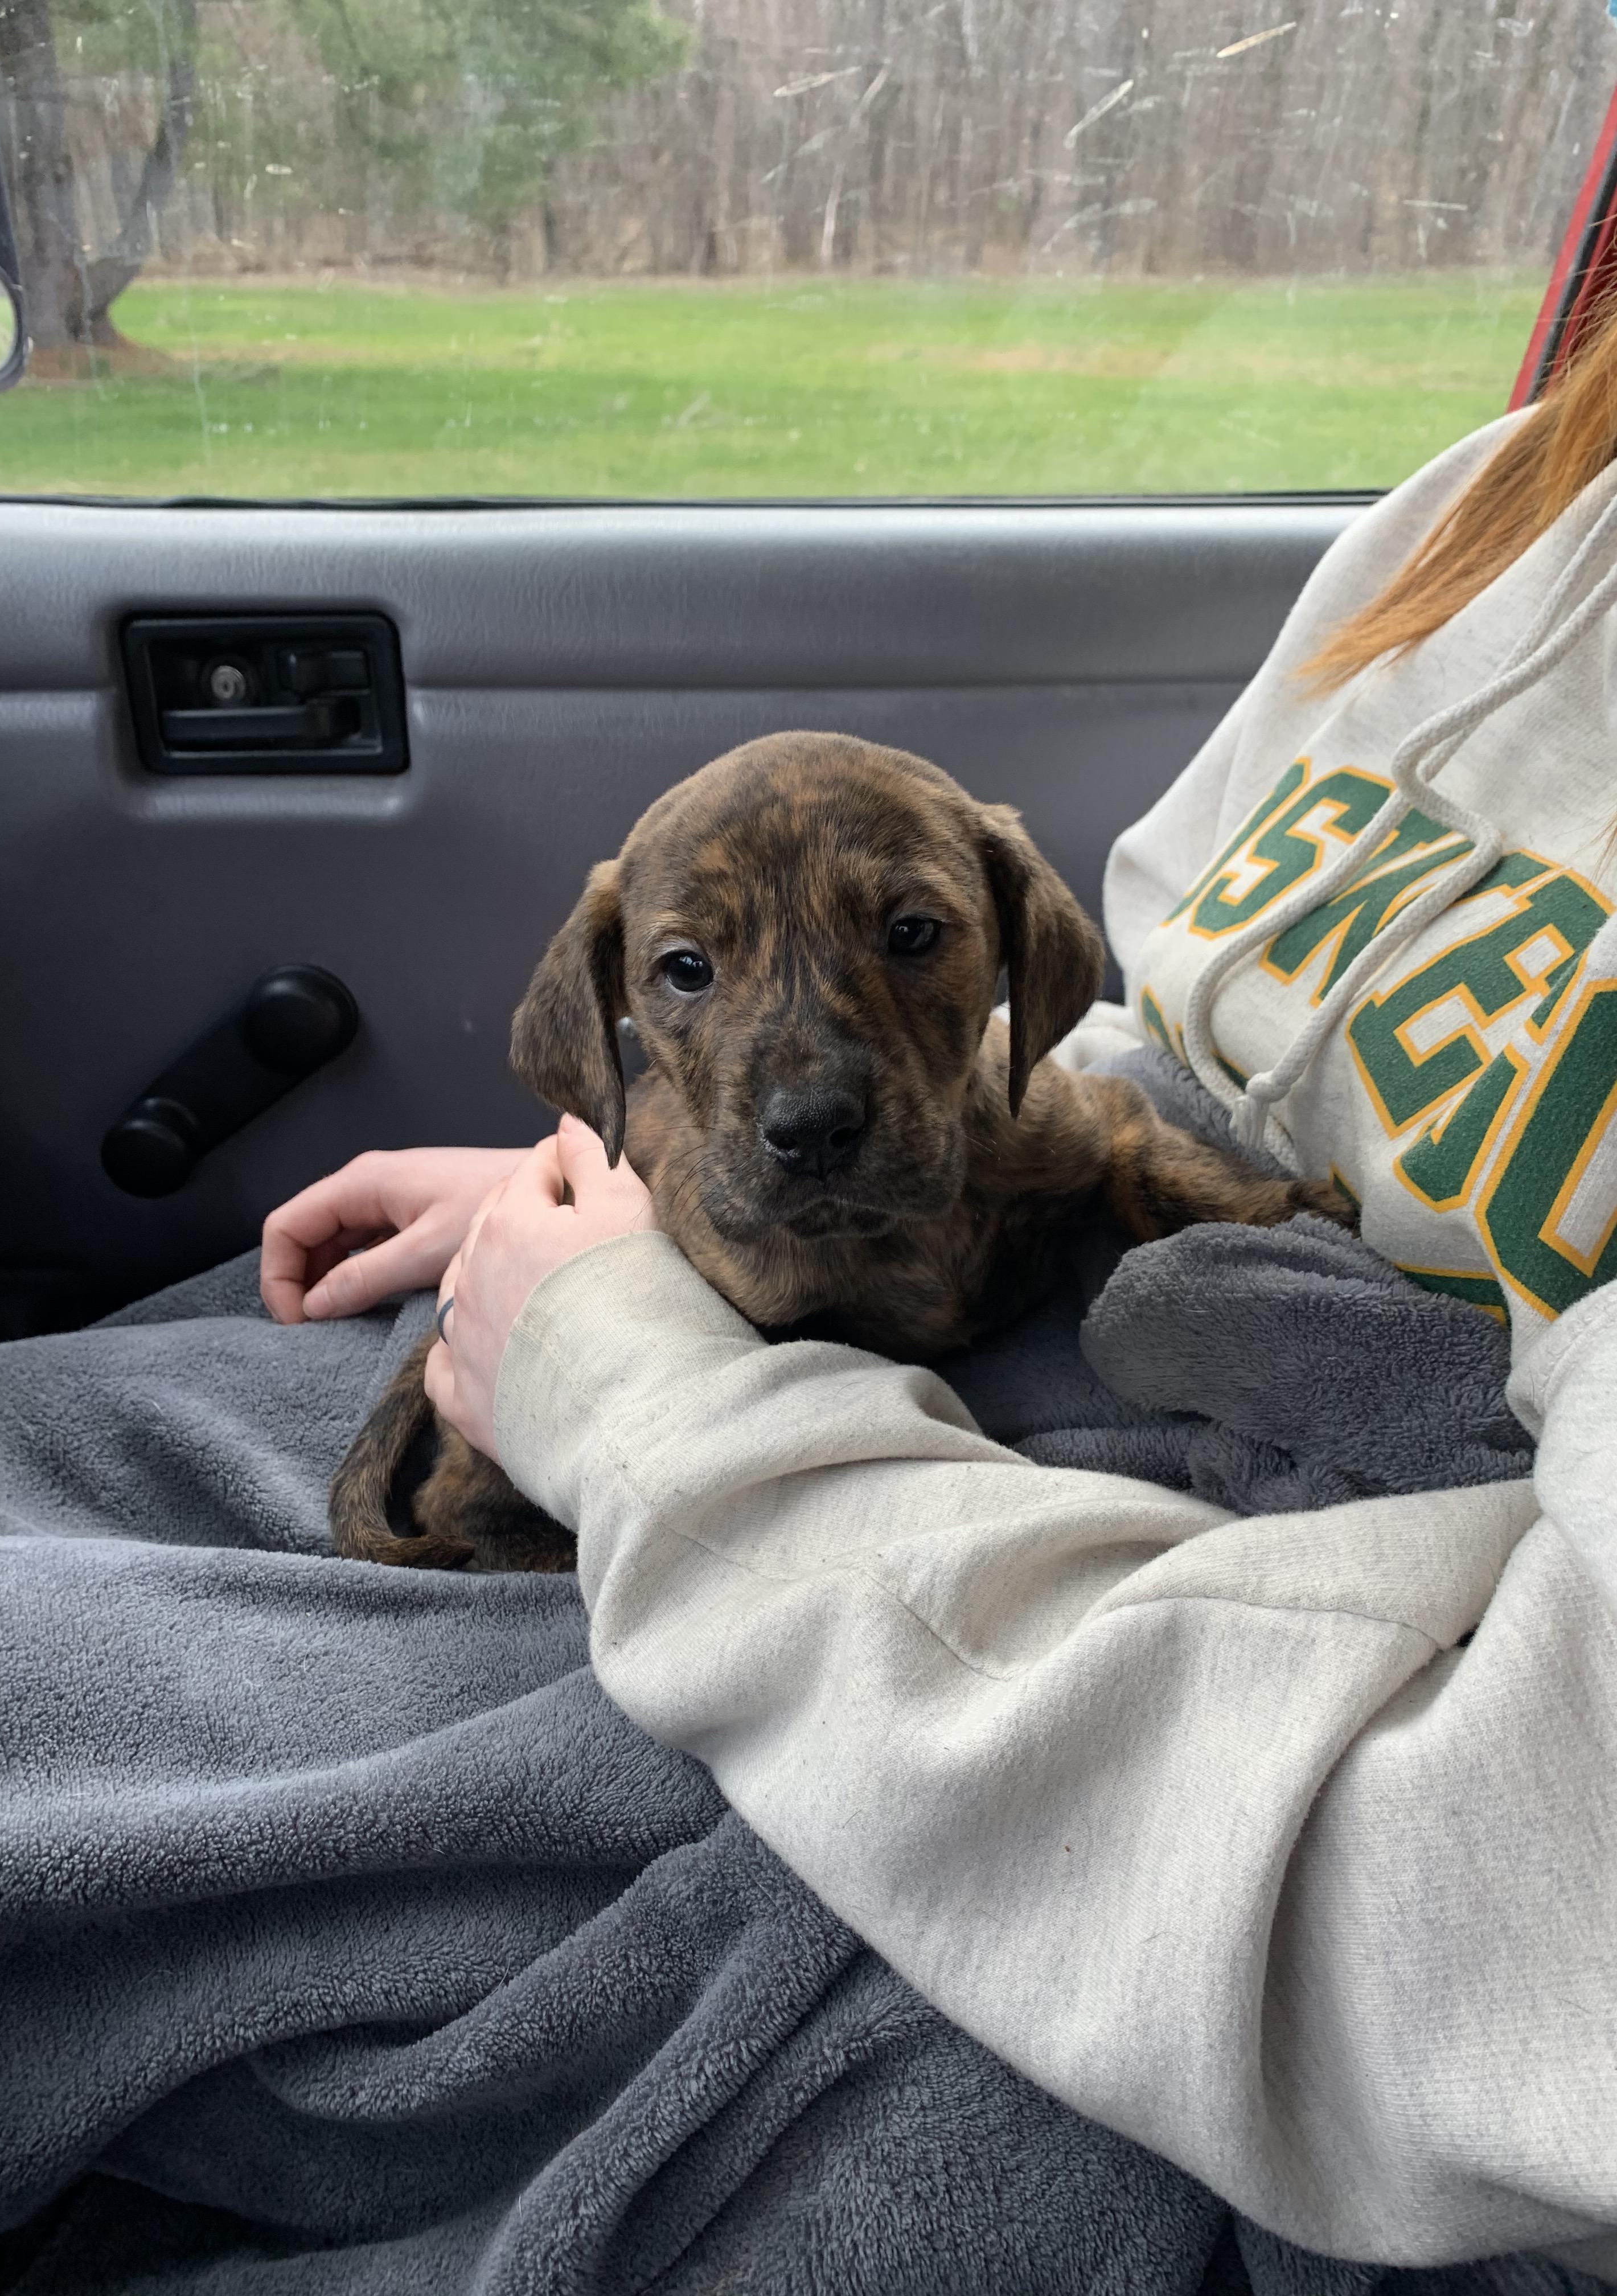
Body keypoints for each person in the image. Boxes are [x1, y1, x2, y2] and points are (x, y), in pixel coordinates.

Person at [261, 359, 1617, 2274]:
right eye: (693, 979)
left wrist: (633, 1395)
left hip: (1138, 1686)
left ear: (989, 954)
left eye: (912, 942)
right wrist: (602, 1200)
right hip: (795, 1440)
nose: (810, 1066)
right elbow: (1166, 1004)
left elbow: (1500, 1938)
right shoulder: (1503, 500)